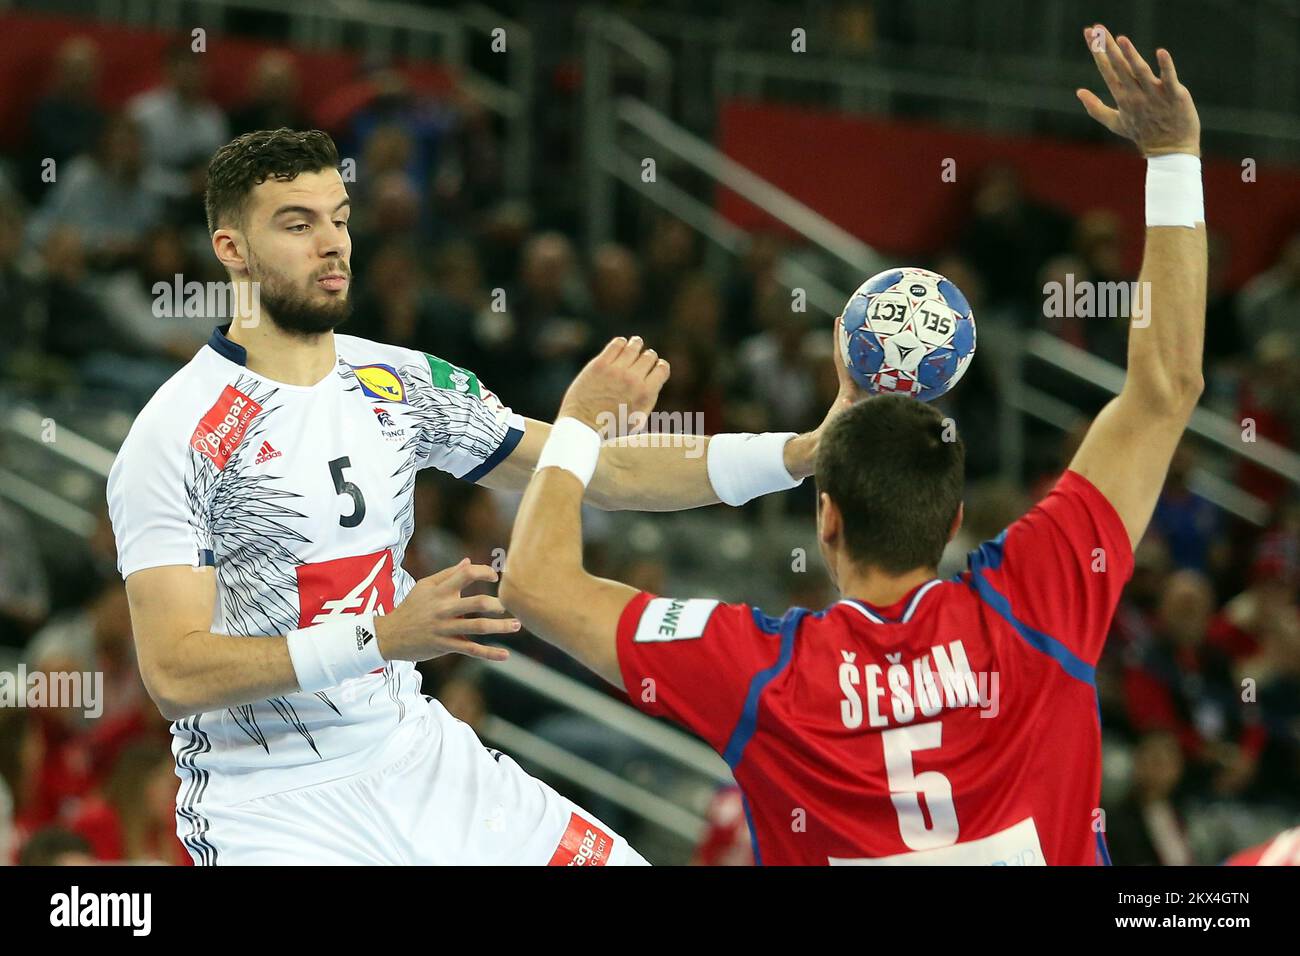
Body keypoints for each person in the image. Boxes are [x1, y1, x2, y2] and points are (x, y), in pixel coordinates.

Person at [501, 25, 1207, 865]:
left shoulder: (758, 671)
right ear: (953, 524)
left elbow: (535, 584)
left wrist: (582, 418)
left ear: (825, 520)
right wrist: (1172, 157)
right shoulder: (1038, 601)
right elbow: (1167, 389)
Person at [106, 127, 840, 865]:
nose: (333, 243)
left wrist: (801, 453)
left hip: (417, 755)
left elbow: (600, 471)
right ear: (231, 249)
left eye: (341, 217)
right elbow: (175, 673)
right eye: (298, 224)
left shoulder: (398, 383)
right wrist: (381, 639)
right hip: (274, 803)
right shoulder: (178, 434)